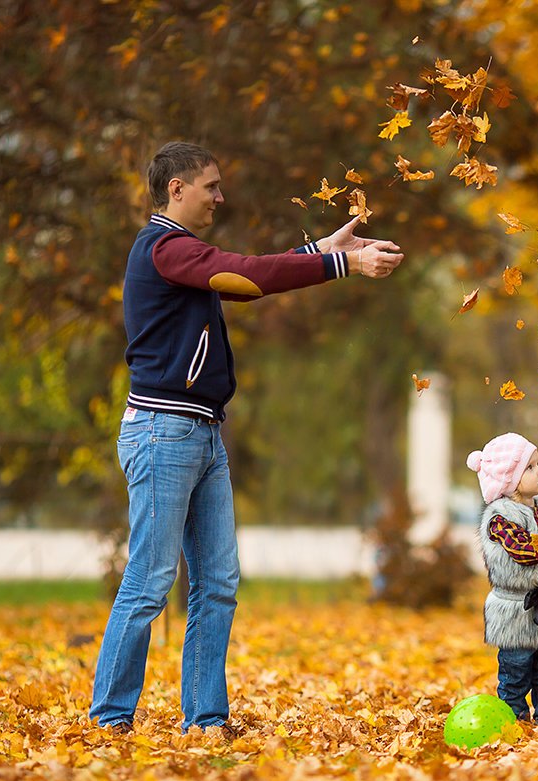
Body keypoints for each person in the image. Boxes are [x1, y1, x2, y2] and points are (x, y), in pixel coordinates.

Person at [89, 141, 404, 735]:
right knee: (152, 581)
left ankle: (206, 719)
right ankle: (108, 720)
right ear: (175, 190)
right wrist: (341, 265)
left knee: (218, 585)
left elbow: (242, 274)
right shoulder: (162, 248)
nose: (220, 196)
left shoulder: (181, 253)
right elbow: (246, 276)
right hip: (163, 432)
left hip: (201, 433)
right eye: (210, 185)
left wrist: (319, 250)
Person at [467, 433, 538, 726]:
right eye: (530, 468)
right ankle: (513, 720)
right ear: (510, 480)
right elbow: (522, 549)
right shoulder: (500, 518)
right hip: (518, 610)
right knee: (516, 671)